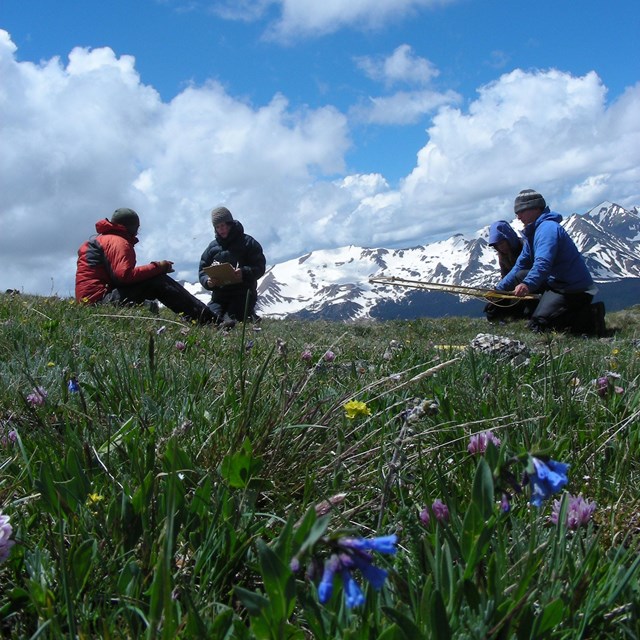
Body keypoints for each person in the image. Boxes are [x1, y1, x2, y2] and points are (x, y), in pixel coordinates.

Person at [76, 208, 217, 324]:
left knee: (153, 280)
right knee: (158, 281)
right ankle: (209, 321)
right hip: (99, 302)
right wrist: (158, 267)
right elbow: (124, 276)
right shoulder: (118, 241)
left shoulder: (102, 240)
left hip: (89, 302)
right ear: (131, 227)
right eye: (137, 228)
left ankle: (207, 319)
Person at [494, 189, 605, 336]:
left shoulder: (548, 229)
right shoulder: (533, 233)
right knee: (521, 275)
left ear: (536, 208)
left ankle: (591, 315)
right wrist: (498, 290)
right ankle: (547, 311)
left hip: (572, 289)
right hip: (556, 284)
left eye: (521, 211)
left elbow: (543, 263)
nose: (518, 216)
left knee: (540, 325)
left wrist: (527, 284)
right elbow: (520, 266)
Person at [199, 206, 266, 325]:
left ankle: (249, 316)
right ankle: (250, 317)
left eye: (223, 225)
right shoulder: (212, 248)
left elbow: (259, 267)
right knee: (208, 319)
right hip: (219, 296)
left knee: (229, 321)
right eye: (218, 227)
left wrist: (243, 272)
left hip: (243, 294)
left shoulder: (248, 243)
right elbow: (202, 270)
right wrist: (207, 281)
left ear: (230, 224)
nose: (221, 229)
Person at [484, 220, 538, 322]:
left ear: (509, 238)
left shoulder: (525, 247)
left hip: (529, 288)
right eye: (497, 245)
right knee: (492, 310)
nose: (501, 247)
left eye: (502, 243)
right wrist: (498, 295)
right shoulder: (502, 256)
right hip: (513, 290)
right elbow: (505, 277)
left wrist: (499, 290)